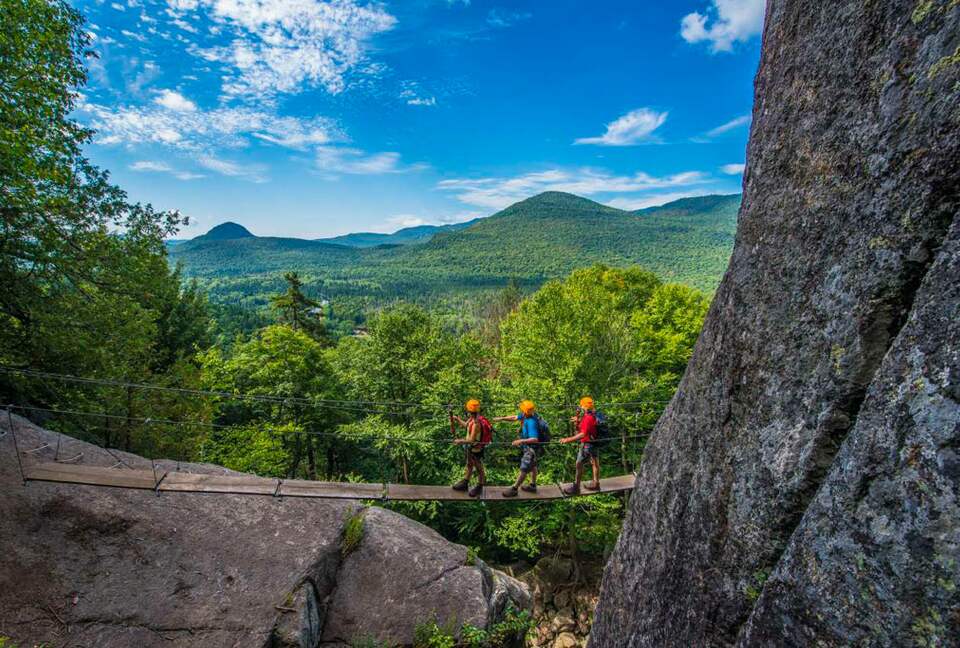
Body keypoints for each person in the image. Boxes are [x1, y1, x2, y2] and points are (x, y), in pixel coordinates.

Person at [492, 400, 542, 497]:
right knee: (533, 466)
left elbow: (535, 439)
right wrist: (502, 418)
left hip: (531, 449)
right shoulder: (526, 415)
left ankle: (514, 489)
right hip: (528, 447)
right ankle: (533, 486)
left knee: (524, 467)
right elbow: (514, 417)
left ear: (525, 411)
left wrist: (520, 441)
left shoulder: (531, 422)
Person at [450, 398, 491, 498]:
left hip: (476, 448)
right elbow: (466, 426)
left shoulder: (477, 423)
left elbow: (472, 440)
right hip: (470, 447)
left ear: (469, 410)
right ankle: (465, 482)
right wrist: (457, 419)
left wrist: (460, 441)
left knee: (479, 468)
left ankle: (480, 486)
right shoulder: (473, 418)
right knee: (469, 464)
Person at [560, 396, 601, 495]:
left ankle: (576, 487)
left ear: (584, 406)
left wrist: (567, 440)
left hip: (588, 444)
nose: (580, 407)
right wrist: (578, 421)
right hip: (594, 441)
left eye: (581, 405)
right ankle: (596, 483)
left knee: (579, 463)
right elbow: (583, 428)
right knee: (594, 461)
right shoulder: (593, 414)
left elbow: (583, 434)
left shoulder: (588, 417)